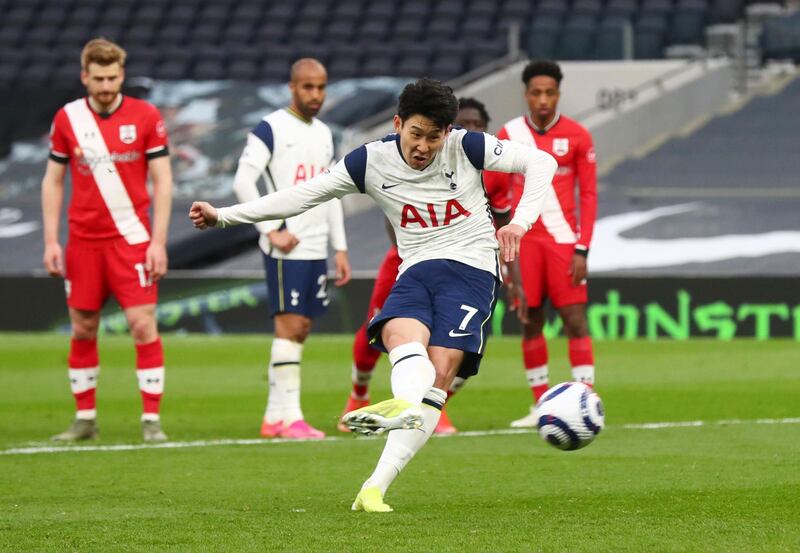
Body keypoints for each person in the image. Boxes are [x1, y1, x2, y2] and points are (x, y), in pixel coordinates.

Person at [190, 78, 556, 512]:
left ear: (447, 132)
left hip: (473, 268)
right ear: (398, 123)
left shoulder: (468, 146)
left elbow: (543, 163)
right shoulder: (369, 161)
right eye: (415, 133)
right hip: (417, 268)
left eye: (433, 137)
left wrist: (519, 222)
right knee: (399, 336)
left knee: (441, 370)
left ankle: (375, 485)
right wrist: (224, 216)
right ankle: (402, 408)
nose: (423, 145)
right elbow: (300, 197)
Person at [338, 97, 524, 436]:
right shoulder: (424, 158)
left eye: (476, 125)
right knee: (380, 325)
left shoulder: (494, 172)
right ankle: (357, 396)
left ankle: (434, 404)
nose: (469, 131)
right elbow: (392, 214)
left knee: (460, 343)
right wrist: (413, 257)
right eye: (463, 124)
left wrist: (511, 273)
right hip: (409, 259)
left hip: (471, 267)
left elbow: (502, 220)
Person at [42, 38, 173, 442]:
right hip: (83, 242)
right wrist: (51, 241)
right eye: (97, 78)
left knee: (142, 325)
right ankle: (85, 418)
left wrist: (158, 241)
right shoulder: (67, 119)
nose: (105, 85)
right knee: (83, 328)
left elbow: (163, 180)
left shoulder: (146, 116)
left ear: (122, 75)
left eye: (112, 77)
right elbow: (53, 180)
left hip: (131, 239)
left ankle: (151, 420)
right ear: (85, 76)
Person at [231, 58, 351, 440]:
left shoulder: (324, 133)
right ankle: (291, 418)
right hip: (288, 243)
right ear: (292, 87)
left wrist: (341, 247)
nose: (315, 95)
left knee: (301, 329)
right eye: (308, 87)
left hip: (316, 244)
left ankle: (273, 417)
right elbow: (242, 182)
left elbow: (332, 192)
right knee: (290, 326)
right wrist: (270, 231)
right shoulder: (271, 128)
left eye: (321, 87)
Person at [484, 60, 598, 427]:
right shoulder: (510, 133)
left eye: (550, 92)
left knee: (574, 320)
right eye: (536, 92)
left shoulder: (579, 135)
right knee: (530, 319)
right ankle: (540, 405)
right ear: (526, 94)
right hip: (526, 241)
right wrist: (504, 247)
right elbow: (495, 191)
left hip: (565, 242)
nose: (543, 99)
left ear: (558, 94)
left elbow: (590, 194)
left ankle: (586, 399)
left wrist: (583, 248)